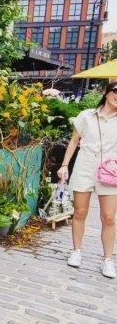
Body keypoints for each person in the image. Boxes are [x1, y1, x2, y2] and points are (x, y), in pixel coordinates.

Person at [58, 80, 117, 279]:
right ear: (107, 92)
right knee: (80, 212)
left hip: (110, 172)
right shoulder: (86, 116)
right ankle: (76, 251)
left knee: (109, 217)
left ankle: (108, 260)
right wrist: (65, 165)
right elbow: (74, 140)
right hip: (84, 166)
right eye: (116, 91)